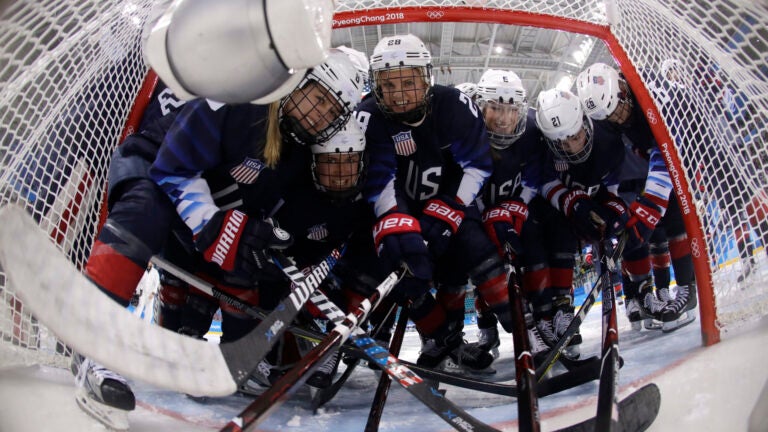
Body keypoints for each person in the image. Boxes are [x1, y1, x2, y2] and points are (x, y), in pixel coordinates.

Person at [74, 48, 360, 428]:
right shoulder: (241, 95)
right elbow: (172, 169)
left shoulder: (297, 151)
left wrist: (258, 234)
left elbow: (261, 209)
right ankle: (90, 343)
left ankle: (231, 355)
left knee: (248, 262)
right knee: (147, 210)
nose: (320, 115)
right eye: (320, 98)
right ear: (300, 79)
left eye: (331, 112)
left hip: (203, 204)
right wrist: (212, 223)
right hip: (156, 169)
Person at [357, 33, 511, 371]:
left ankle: (518, 316)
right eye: (389, 84)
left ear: (425, 79)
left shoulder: (453, 105)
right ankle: (441, 337)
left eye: (408, 82)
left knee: (471, 249)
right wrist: (400, 225)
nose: (399, 93)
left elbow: (477, 166)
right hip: (400, 206)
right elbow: (381, 179)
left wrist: (450, 209)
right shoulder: (369, 115)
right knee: (402, 266)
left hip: (452, 199)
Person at [576, 62, 695, 331]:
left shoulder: (650, 94)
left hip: (694, 142)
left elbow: (666, 150)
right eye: (611, 116)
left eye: (618, 109)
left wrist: (649, 207)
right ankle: (656, 293)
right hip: (654, 162)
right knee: (653, 224)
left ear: (621, 86)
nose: (619, 118)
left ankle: (685, 289)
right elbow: (616, 160)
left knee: (676, 213)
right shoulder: (608, 115)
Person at [535, 88, 640, 347]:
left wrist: (611, 207)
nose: (572, 148)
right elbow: (543, 182)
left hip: (594, 197)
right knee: (555, 234)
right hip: (559, 207)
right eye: (562, 144)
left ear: (584, 122)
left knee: (629, 224)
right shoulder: (541, 146)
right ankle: (560, 308)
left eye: (575, 137)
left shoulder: (608, 139)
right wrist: (570, 201)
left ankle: (639, 291)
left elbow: (614, 186)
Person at [470, 69, 551, 358]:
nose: (504, 118)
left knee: (535, 245)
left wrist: (518, 205)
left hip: (514, 205)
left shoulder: (530, 131)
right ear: (481, 106)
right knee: (482, 261)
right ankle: (487, 325)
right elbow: (461, 182)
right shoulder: (467, 130)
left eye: (511, 109)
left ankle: (541, 320)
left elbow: (533, 177)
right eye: (495, 108)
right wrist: (485, 213)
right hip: (478, 210)